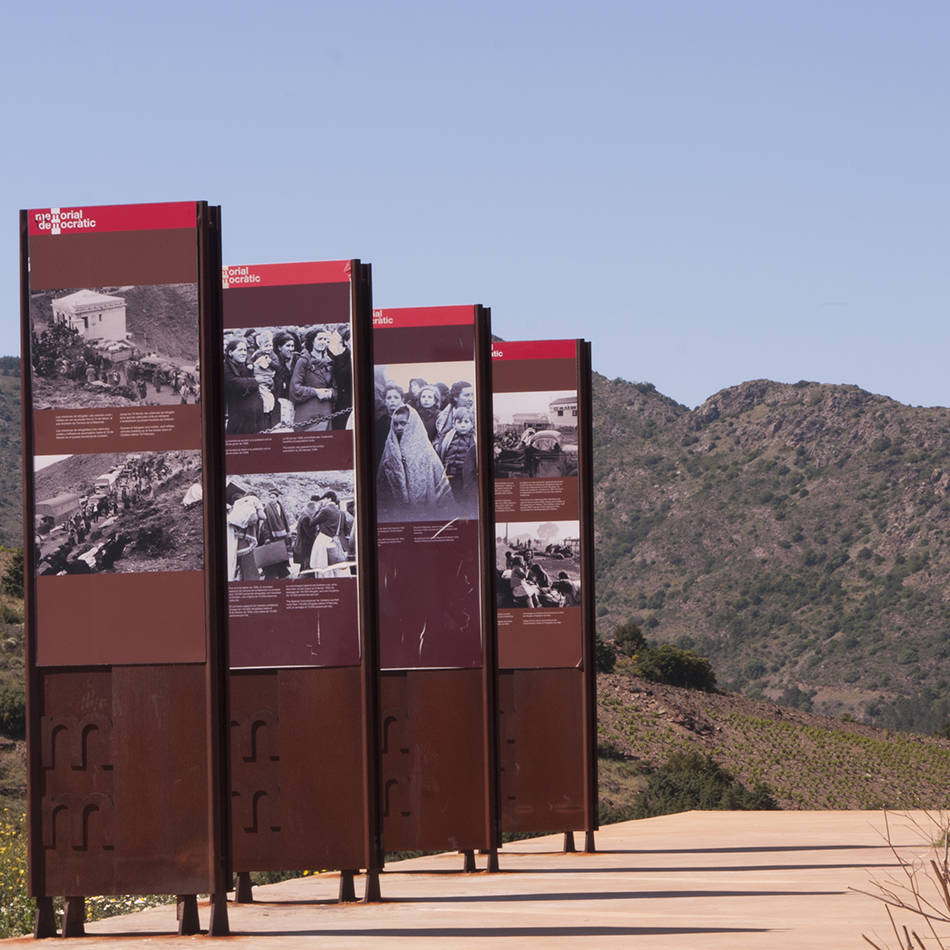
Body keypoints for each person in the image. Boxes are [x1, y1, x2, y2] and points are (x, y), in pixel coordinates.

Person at [377, 405, 455, 521]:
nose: (399, 428)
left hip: (423, 506)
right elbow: (382, 479)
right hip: (396, 508)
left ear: (412, 423)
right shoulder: (390, 447)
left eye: (403, 423)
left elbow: (437, 474)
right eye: (395, 424)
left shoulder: (425, 449)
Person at [290, 327, 336, 431]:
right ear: (312, 341)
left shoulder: (330, 362)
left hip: (325, 411)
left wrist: (331, 392)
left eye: (325, 339)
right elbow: (295, 389)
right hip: (306, 412)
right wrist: (315, 391)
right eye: (320, 339)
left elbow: (336, 388)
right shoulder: (303, 362)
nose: (323, 342)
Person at [437, 406, 478, 517]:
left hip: (465, 476)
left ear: (472, 424)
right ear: (454, 424)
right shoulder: (447, 438)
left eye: (466, 421)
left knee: (464, 501)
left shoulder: (475, 440)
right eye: (459, 422)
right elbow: (441, 453)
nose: (463, 425)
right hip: (449, 474)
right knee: (450, 499)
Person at [223, 338, 263, 434]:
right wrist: (256, 381)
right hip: (238, 414)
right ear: (230, 353)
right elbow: (236, 383)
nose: (244, 353)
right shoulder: (225, 367)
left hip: (252, 414)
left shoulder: (245, 366)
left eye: (245, 350)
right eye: (240, 350)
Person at [272, 331, 300, 428]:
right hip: (278, 400)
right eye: (288, 346)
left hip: (293, 398)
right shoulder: (274, 360)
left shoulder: (296, 359)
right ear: (280, 347)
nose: (291, 349)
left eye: (292, 346)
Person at [331, 327, 353, 430]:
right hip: (345, 401)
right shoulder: (339, 358)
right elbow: (342, 377)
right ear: (345, 341)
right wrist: (352, 357)